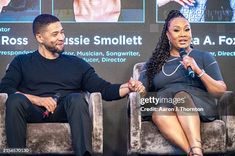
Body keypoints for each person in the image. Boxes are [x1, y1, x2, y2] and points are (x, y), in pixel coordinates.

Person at [0, 14, 145, 156]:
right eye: (55, 34)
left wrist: (128, 87)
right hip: (33, 112)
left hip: (65, 111)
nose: (61, 38)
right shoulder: (21, 61)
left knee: (76, 98)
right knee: (15, 100)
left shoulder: (76, 63)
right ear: (40, 37)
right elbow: (5, 88)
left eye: (62, 32)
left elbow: (104, 90)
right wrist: (38, 100)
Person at [139, 10, 226, 156]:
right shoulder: (153, 63)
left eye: (187, 29)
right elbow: (141, 93)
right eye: (177, 30)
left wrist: (198, 70)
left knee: (181, 96)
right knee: (158, 113)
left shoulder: (204, 56)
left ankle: (196, 149)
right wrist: (137, 88)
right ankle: (193, 153)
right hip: (165, 104)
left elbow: (220, 90)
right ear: (167, 35)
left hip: (197, 104)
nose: (183, 34)